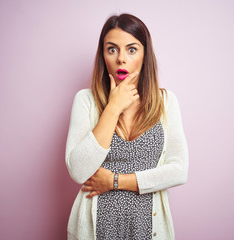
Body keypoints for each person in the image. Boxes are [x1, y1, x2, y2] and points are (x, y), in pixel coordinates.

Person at [65, 13, 188, 240]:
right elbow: (78, 170)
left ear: (144, 55)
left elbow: (179, 170)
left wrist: (114, 181)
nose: (121, 58)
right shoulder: (86, 101)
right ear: (103, 55)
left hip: (147, 231)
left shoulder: (166, 102)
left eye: (131, 49)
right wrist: (113, 108)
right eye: (112, 49)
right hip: (97, 230)